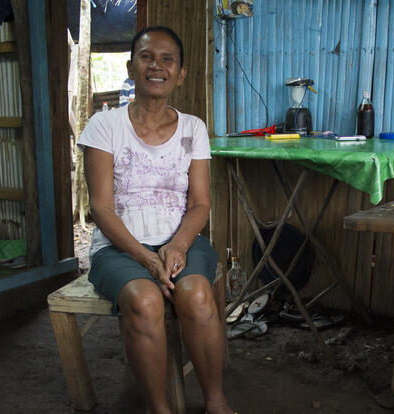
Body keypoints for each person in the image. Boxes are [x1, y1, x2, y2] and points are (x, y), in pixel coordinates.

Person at [78, 26, 233, 414]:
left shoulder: (193, 128)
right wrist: (146, 258)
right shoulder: (105, 126)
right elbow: (102, 208)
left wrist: (177, 246)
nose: (157, 66)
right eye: (147, 57)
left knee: (196, 295)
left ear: (180, 73)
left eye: (168, 60)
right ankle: (158, 408)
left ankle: (214, 401)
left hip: (180, 239)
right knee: (145, 300)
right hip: (119, 246)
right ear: (132, 67)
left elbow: (199, 203)